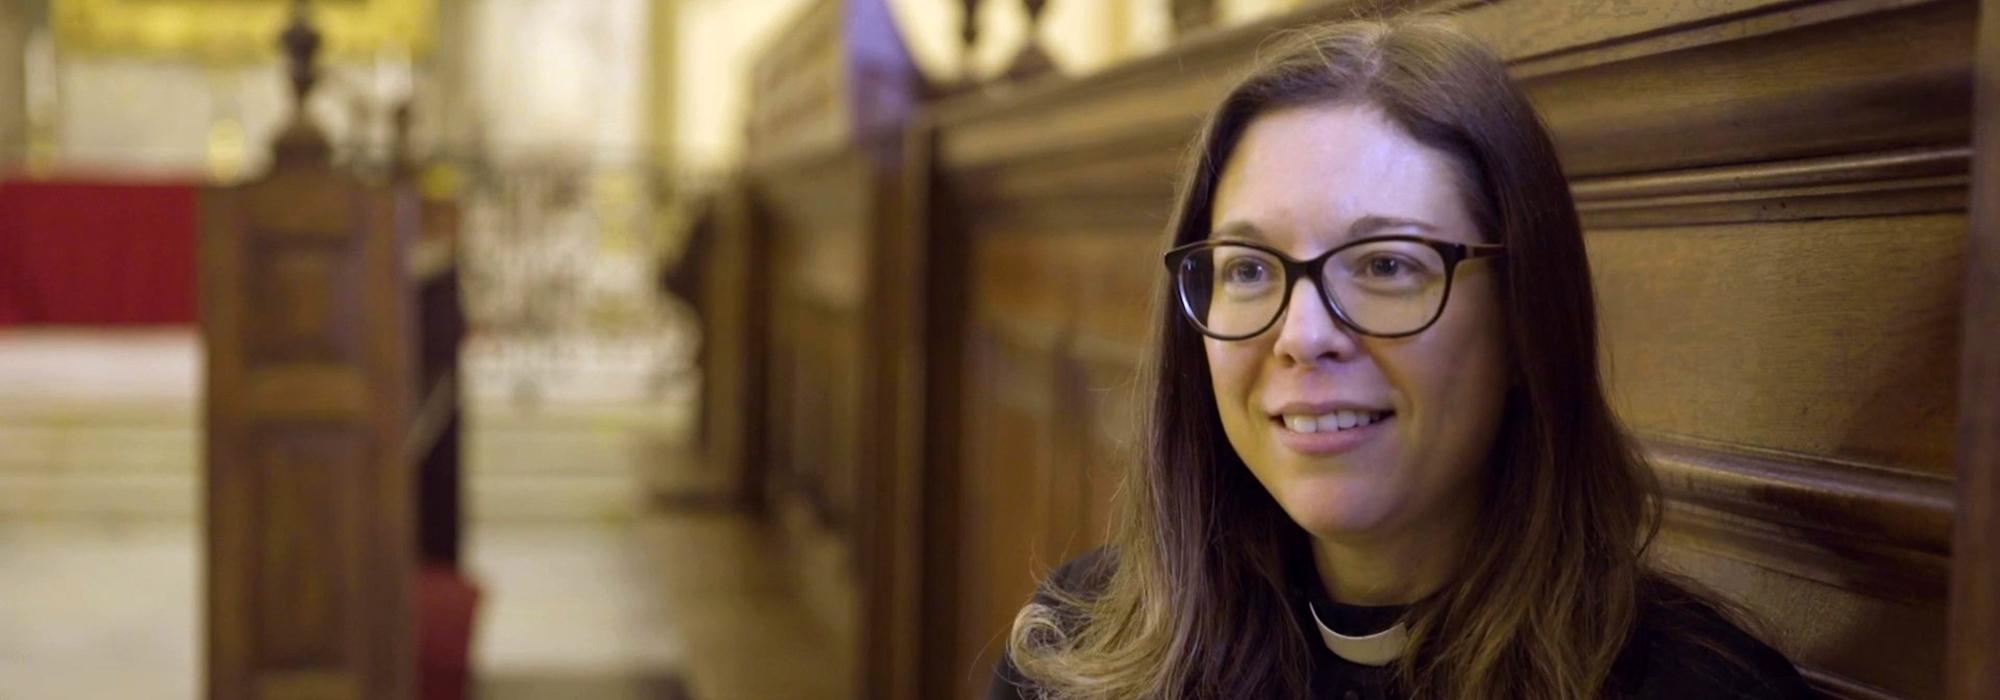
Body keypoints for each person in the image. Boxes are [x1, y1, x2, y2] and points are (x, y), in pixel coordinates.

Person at [988, 15, 1816, 700]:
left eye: (1387, 265)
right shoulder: (1075, 651)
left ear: (1527, 319)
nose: (1303, 334)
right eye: (1247, 268)